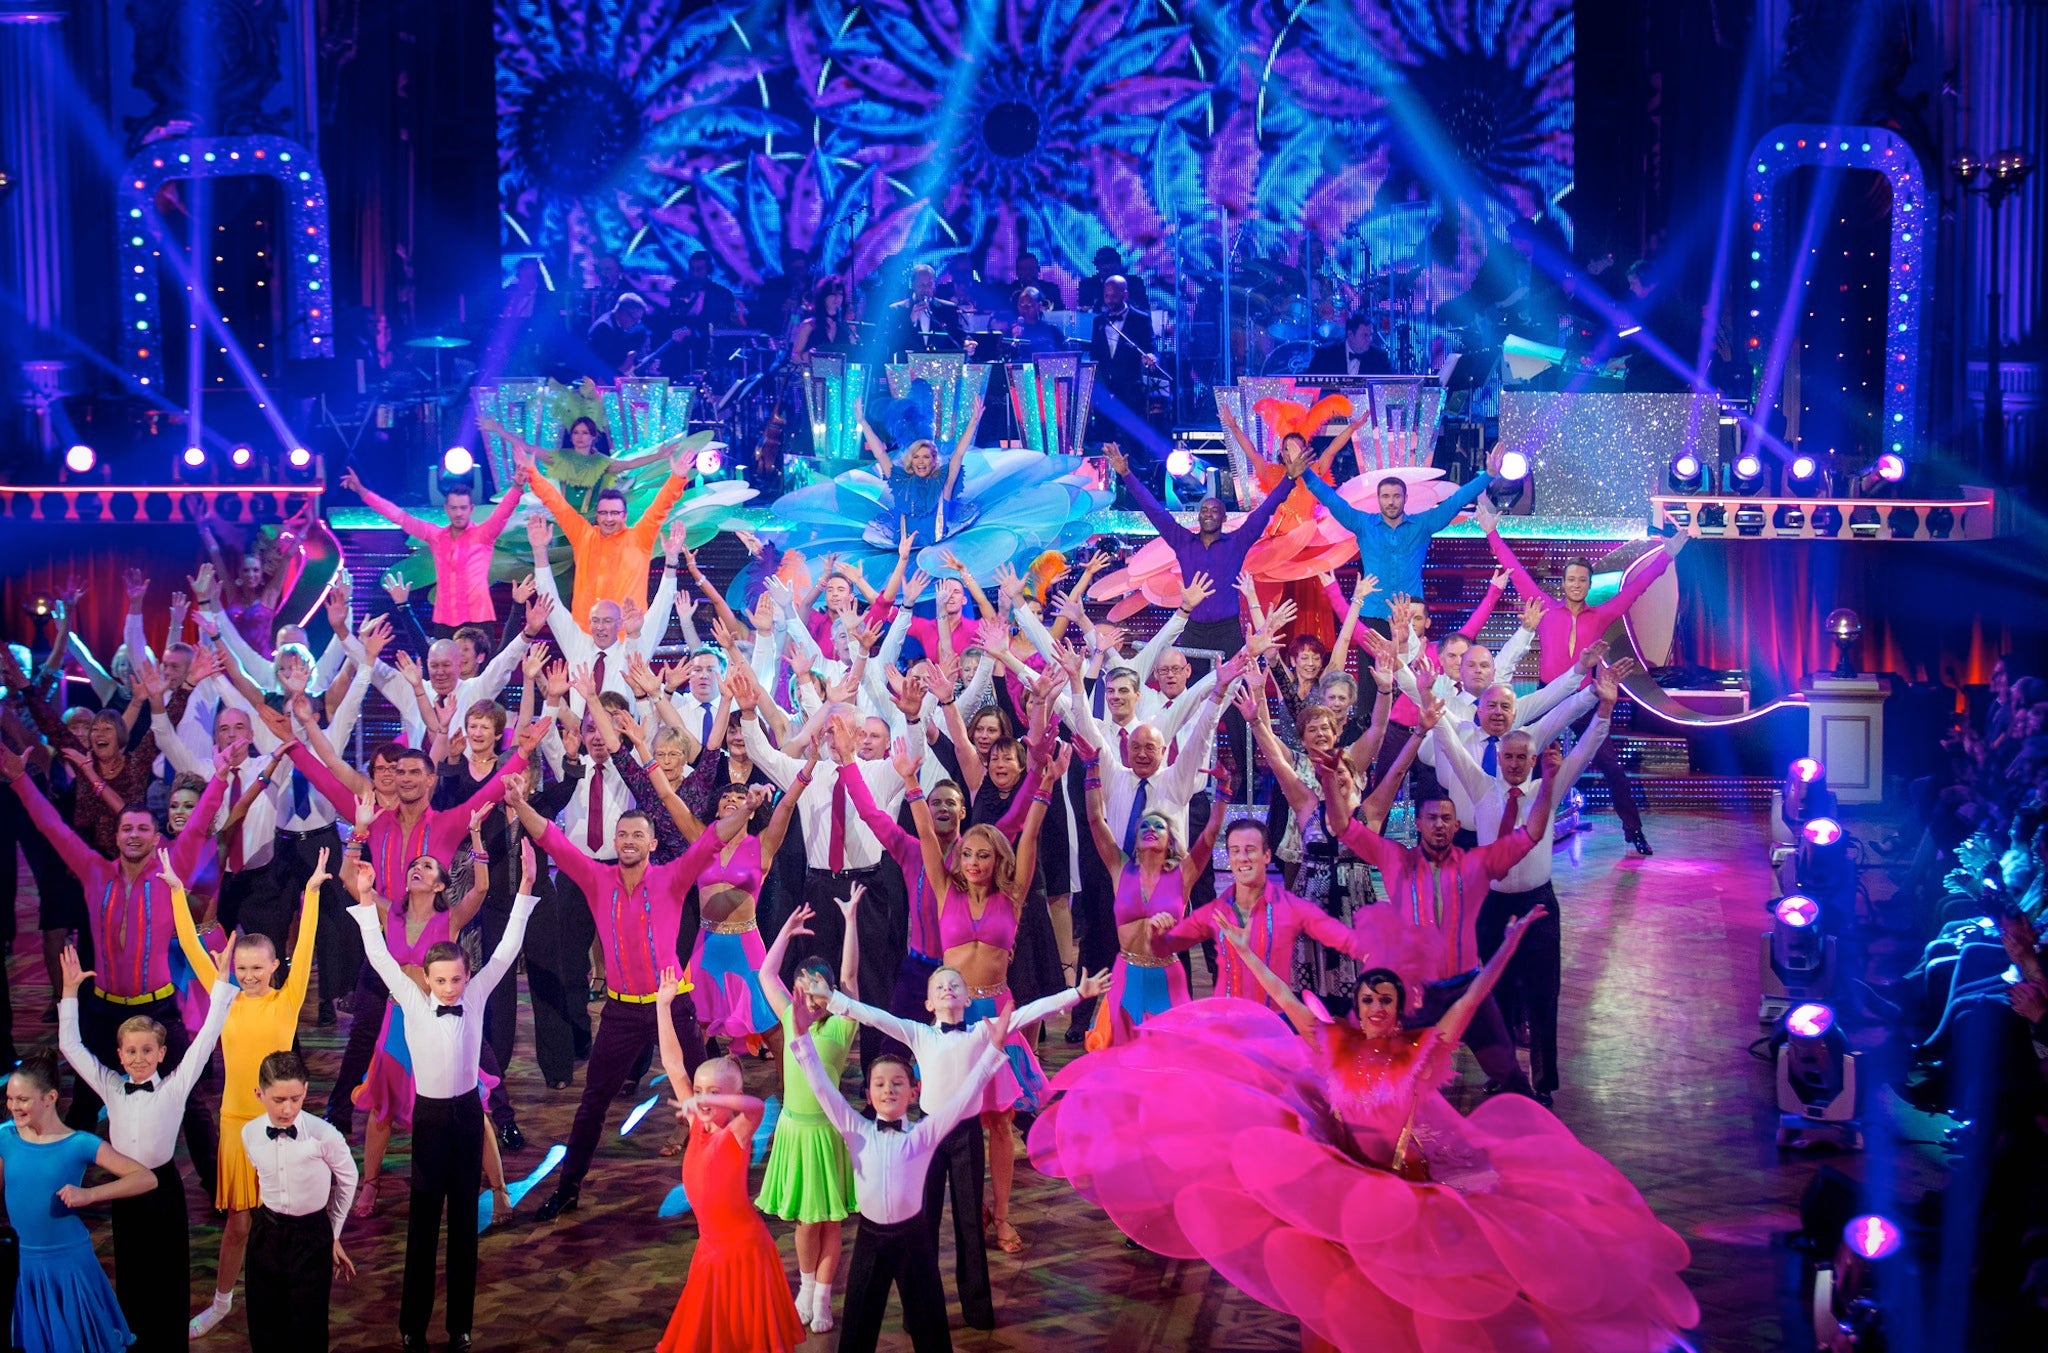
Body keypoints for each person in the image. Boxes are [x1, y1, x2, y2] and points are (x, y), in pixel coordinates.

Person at [1028, 897, 1698, 1352]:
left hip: (1404, 1188)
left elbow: (1469, 998)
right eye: (1367, 998)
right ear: (1359, 1002)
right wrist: (1239, 947)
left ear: (1399, 1005)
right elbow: (1288, 999)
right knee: (1333, 1299)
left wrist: (1512, 942)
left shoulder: (1419, 1052)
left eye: (1385, 999)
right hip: (1338, 1181)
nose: (1375, 1007)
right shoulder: (1333, 1042)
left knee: (1407, 1304)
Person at [823, 949, 1108, 1330]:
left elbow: (1030, 1012)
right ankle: (918, 1310)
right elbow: (875, 1016)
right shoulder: (918, 1033)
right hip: (925, 1137)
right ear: (928, 1001)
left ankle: (977, 1309)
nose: (947, 989)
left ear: (967, 997)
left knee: (969, 1223)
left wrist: (1078, 994)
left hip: (965, 1136)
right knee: (919, 1224)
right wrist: (832, 999)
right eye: (939, 986)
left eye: (954, 984)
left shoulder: (981, 1031)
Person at [505, 779, 746, 1221]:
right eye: (623, 835)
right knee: (593, 1101)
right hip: (620, 1010)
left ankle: (724, 1190)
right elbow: (552, 839)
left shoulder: (672, 877)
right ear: (615, 842)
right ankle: (568, 1188)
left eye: (638, 835)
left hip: (673, 1005)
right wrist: (520, 802)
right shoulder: (597, 878)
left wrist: (746, 810)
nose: (629, 841)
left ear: (652, 843)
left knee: (702, 1096)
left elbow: (712, 839)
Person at [348, 842, 540, 1352]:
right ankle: (412, 1327)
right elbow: (377, 955)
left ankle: (460, 1327)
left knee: (462, 1229)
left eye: (457, 979)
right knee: (423, 1226)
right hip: (430, 1120)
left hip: (464, 1116)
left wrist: (523, 890)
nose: (451, 988)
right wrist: (367, 902)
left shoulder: (475, 994)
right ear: (427, 980)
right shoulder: (411, 998)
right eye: (442, 981)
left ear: (466, 976)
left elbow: (505, 952)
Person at [0, 744, 227, 1165]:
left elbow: (196, 828)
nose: (135, 835)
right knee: (84, 1105)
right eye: (127, 829)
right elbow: (52, 828)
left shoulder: (168, 870)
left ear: (156, 838)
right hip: (103, 1012)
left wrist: (222, 776)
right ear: (116, 835)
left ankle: (218, 1194)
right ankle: (66, 1186)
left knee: (192, 1105)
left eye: (143, 829)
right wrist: (19, 780)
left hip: (159, 1010)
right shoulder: (93, 871)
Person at [786, 989, 1013, 1353]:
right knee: (859, 1324)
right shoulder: (854, 1129)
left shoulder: (924, 1134)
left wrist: (992, 1053)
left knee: (930, 1327)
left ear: (914, 1092)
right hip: (870, 1239)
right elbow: (822, 1087)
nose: (888, 1090)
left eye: (897, 1084)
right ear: (869, 1092)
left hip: (914, 1239)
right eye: (879, 1084)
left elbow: (960, 1099)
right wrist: (800, 1038)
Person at [1433, 671, 1615, 1104]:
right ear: (1498, 758)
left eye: (1522, 757)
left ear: (1533, 761)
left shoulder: (1545, 792)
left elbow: (1587, 748)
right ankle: (1501, 1074)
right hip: (1492, 907)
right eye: (1508, 756)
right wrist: (1427, 698)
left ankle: (1544, 1082)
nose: (1514, 763)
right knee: (1492, 997)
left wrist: (1604, 707)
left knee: (1542, 994)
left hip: (1537, 905)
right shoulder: (1479, 789)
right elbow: (1451, 742)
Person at [165, 848, 324, 1340]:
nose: (250, 975)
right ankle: (221, 1302)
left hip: (282, 1123)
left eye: (259, 967)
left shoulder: (288, 998)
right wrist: (175, 889)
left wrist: (313, 893)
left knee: (285, 1222)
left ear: (276, 965)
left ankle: (286, 1298)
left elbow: (310, 939)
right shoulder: (225, 999)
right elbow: (193, 950)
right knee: (238, 1224)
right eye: (243, 968)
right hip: (237, 1125)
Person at [58, 940, 237, 1353]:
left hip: (163, 1189)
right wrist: (69, 995)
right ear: (120, 1055)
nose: (139, 1058)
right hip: (124, 1191)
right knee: (131, 1272)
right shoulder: (110, 1086)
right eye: (131, 1051)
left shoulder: (173, 1089)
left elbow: (209, 1036)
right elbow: (71, 1048)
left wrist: (222, 982)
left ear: (161, 1054)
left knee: (170, 1273)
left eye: (147, 1051)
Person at [1478, 500, 1686, 854]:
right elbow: (1516, 571)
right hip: (1547, 697)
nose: (1576, 584)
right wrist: (1491, 533)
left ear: (1589, 585)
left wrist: (1666, 556)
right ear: (1563, 584)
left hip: (1586, 698)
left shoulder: (1601, 614)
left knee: (1611, 765)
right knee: (1533, 765)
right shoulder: (1544, 608)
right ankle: (1524, 834)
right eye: (1571, 579)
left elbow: (1636, 589)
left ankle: (1633, 831)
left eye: (1582, 580)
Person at [337, 814, 507, 1222]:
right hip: (398, 1022)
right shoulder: (387, 914)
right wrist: (358, 832)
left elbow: (482, 886)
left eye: (427, 866)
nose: (417, 868)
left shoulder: (449, 918)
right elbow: (348, 877)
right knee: (382, 1108)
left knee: (472, 1106)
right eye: (414, 865)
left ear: (440, 884)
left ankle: (499, 1188)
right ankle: (370, 1185)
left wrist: (478, 835)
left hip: (441, 1021)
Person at [651, 972, 807, 1353]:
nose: (703, 1098)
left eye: (715, 1093)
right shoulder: (696, 1121)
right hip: (711, 1249)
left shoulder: (735, 1132)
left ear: (732, 1095)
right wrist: (662, 1006)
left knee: (748, 1335)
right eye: (700, 1091)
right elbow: (674, 1065)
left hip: (745, 1251)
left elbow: (756, 1106)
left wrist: (713, 1103)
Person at [0, 1049, 160, 1353]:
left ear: (49, 1098)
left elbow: (145, 1178)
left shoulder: (80, 1144)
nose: (13, 1107)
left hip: (68, 1266)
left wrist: (89, 1195)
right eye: (10, 1098)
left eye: (22, 1100)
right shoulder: (5, 1137)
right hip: (24, 1264)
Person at [752, 903, 859, 1335]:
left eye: (816, 990)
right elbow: (764, 974)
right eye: (801, 988)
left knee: (830, 1219)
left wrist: (851, 922)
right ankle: (805, 1285)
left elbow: (850, 978)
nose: (806, 997)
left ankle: (822, 1297)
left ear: (829, 995)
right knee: (804, 1221)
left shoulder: (839, 1027)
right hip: (796, 1132)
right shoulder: (787, 1017)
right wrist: (786, 931)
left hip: (826, 1135)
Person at [1285, 440, 1506, 631]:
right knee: (1370, 680)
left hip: (1410, 616)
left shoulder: (1422, 525)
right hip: (1372, 614)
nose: (1391, 502)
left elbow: (1456, 501)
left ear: (1405, 498)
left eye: (1396, 496)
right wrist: (1305, 472)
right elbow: (1332, 500)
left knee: (1410, 681)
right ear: (1378, 499)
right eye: (1386, 496)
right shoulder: (1363, 524)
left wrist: (1489, 476)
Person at [1077, 757, 1221, 1048]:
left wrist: (1223, 794)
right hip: (1127, 973)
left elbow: (1210, 834)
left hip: (1166, 978)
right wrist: (1092, 770)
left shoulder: (1184, 873)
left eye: (1159, 826)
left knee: (1168, 1059)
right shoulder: (1121, 868)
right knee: (1120, 1057)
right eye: (1145, 826)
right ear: (1136, 837)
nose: (1151, 829)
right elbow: (1095, 819)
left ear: (1170, 840)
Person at [1104, 443, 1291, 652]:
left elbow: (1265, 510)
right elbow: (1154, 511)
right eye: (1204, 510)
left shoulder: (1237, 542)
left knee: (1231, 684)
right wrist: (1127, 474)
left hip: (1227, 631)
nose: (1208, 514)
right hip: (1194, 629)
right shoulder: (1183, 541)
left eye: (1214, 510)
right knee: (1191, 683)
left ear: (1223, 517)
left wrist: (1290, 479)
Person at [240, 1051, 359, 1353]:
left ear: (305, 1090)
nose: (288, 1109)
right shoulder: (250, 1133)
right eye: (279, 1100)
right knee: (264, 1322)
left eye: (295, 1098)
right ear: (259, 1094)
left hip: (311, 1235)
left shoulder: (324, 1135)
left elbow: (348, 1179)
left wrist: (332, 1232)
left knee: (308, 1325)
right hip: (265, 1231)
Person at [516, 438, 691, 626]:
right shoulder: (584, 535)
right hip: (584, 634)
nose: (608, 518)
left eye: (614, 513)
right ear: (597, 516)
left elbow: (659, 507)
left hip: (627, 636)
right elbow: (558, 505)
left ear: (624, 515)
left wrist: (677, 479)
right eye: (603, 513)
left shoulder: (640, 537)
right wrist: (532, 473)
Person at [340, 468, 523, 632]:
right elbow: (399, 517)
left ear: (471, 509)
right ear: (446, 509)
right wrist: (363, 492)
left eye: (463, 508)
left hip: (478, 622)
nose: (458, 513)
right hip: (444, 622)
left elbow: (503, 512)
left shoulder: (484, 535)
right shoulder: (435, 536)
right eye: (453, 508)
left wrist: (516, 487)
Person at [859, 396, 982, 548]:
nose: (921, 461)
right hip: (903, 554)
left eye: (925, 457)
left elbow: (958, 454)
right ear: (911, 460)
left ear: (933, 460)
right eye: (916, 457)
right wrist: (863, 423)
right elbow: (880, 454)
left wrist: (973, 422)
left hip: (938, 553)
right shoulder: (901, 483)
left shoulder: (943, 484)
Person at [1086, 276, 1159, 451]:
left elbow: (1151, 347)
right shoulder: (1099, 321)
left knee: (1131, 438)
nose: (1110, 300)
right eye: (1107, 296)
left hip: (1130, 390)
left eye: (1114, 296)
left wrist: (1151, 357)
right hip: (1106, 392)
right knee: (1105, 437)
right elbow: (1095, 355)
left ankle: (1135, 473)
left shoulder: (1140, 319)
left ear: (1124, 294)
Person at [883, 263, 966, 357]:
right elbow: (892, 343)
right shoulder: (897, 310)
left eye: (929, 284)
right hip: (907, 365)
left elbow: (958, 335)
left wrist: (967, 342)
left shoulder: (948, 308)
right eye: (921, 285)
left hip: (941, 365)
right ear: (913, 285)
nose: (926, 289)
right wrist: (911, 321)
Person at [1308, 310, 1393, 376]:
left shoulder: (1379, 358)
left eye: (1370, 335)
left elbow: (1389, 388)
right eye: (1365, 335)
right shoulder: (1325, 355)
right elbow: (1309, 386)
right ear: (1350, 335)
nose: (1369, 340)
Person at [586, 293, 653, 377]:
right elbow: (596, 365)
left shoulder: (617, 324)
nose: (635, 323)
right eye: (634, 319)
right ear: (622, 311)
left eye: (638, 320)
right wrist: (621, 368)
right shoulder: (604, 328)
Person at [791, 276, 852, 361]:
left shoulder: (847, 327)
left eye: (840, 294)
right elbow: (794, 357)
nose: (837, 298)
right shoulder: (809, 325)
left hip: (839, 373)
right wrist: (807, 355)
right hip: (814, 372)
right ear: (823, 296)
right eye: (832, 294)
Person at [1077, 246, 1149, 312]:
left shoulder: (1134, 283)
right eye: (1103, 263)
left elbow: (1143, 308)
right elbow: (1083, 311)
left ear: (1119, 264)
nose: (1107, 267)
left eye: (1110, 263)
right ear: (1097, 266)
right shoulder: (1087, 285)